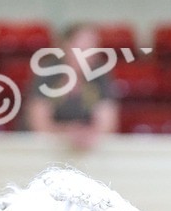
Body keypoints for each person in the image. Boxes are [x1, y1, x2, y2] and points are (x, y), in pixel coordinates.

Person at [24, 22, 118, 150]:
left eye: (92, 48)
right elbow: (39, 124)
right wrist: (67, 133)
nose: (87, 55)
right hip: (43, 150)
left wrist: (89, 135)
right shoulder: (47, 72)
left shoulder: (100, 75)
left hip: (86, 151)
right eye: (81, 48)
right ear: (65, 46)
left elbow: (108, 124)